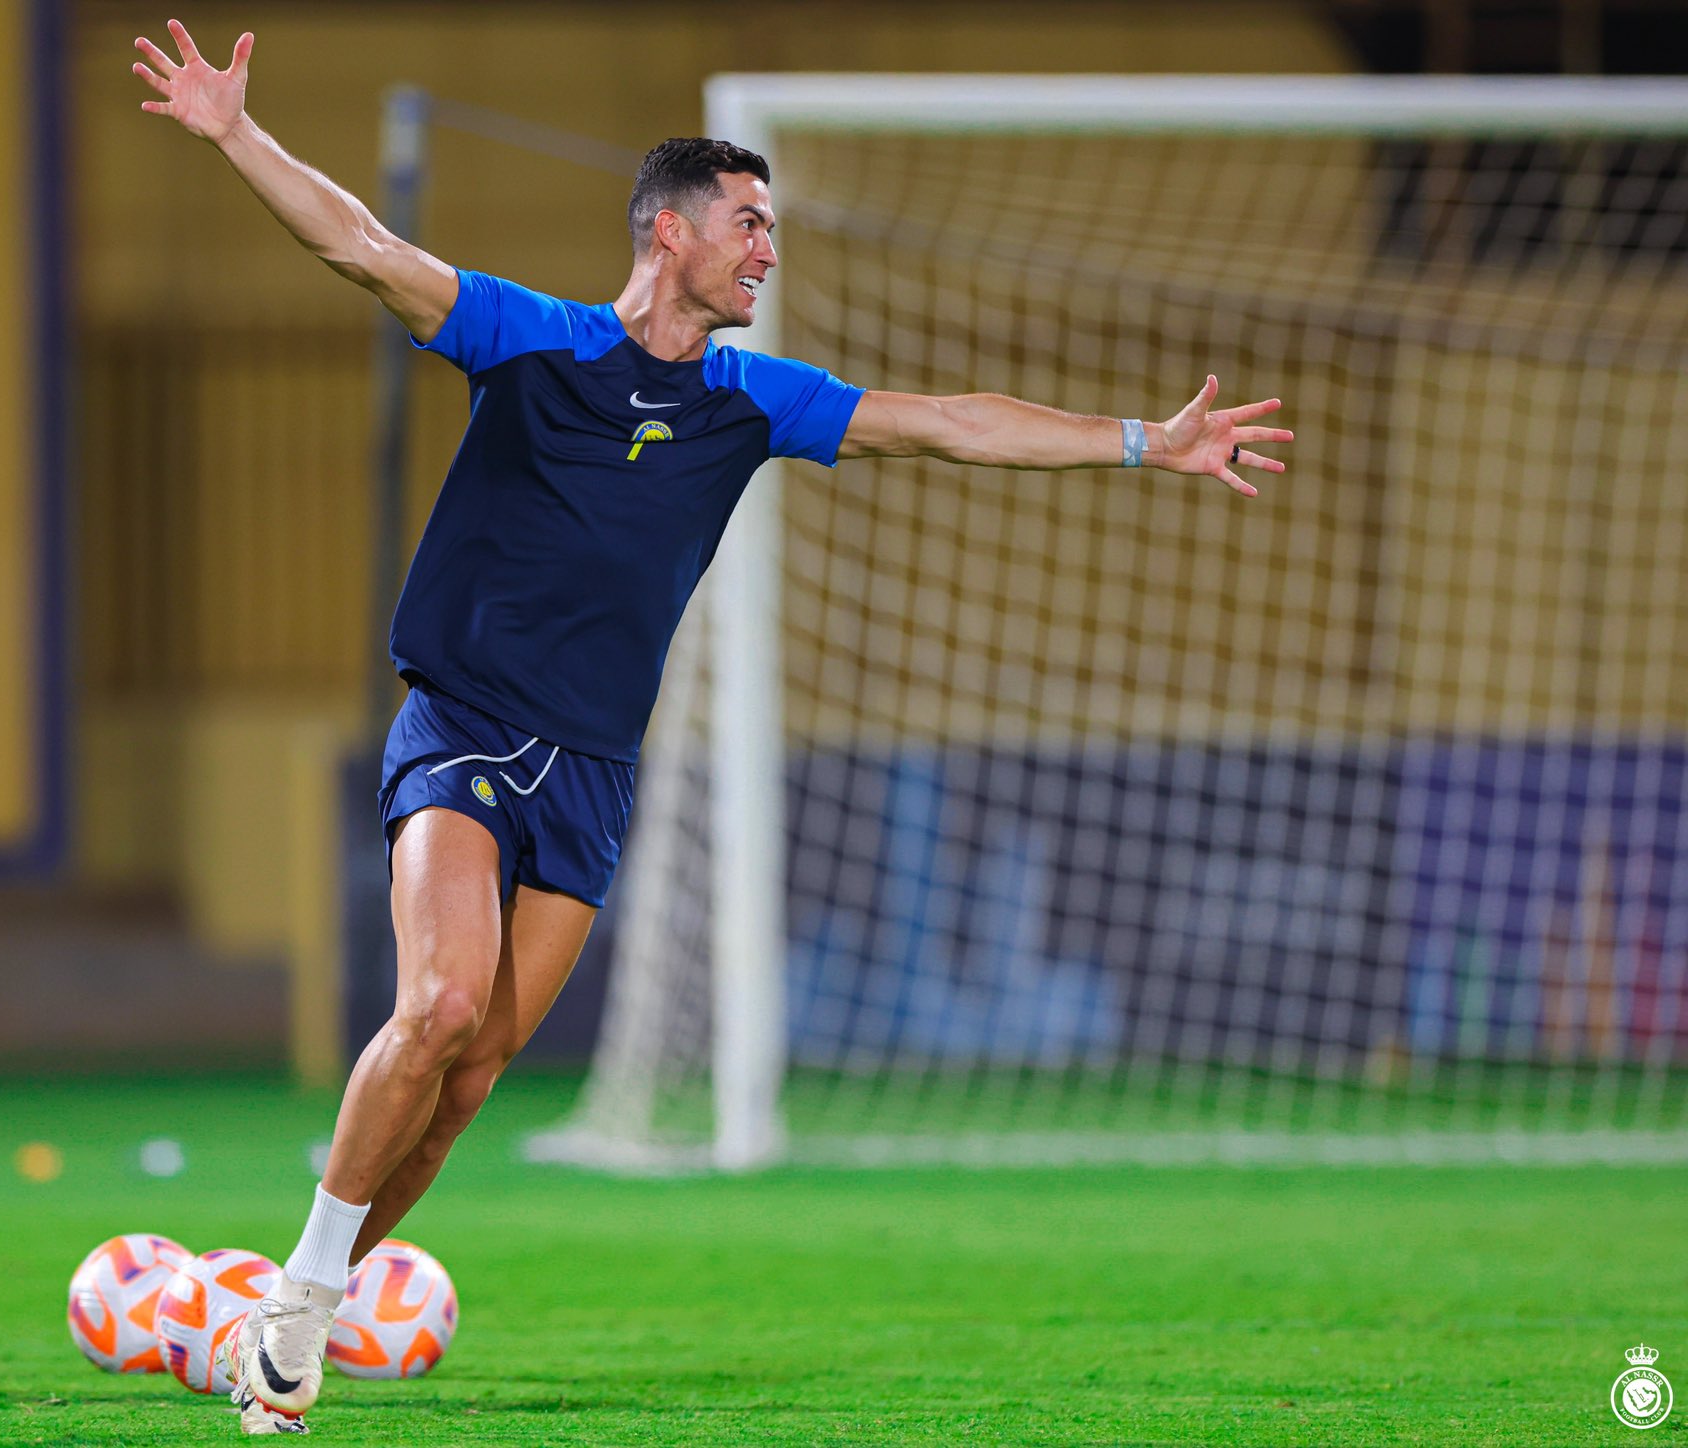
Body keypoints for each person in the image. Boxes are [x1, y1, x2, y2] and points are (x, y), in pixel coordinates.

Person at [133, 19, 1293, 1436]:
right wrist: (239, 135)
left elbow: (945, 423)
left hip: (598, 772)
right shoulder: (537, 343)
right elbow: (367, 250)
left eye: (772, 228)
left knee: (477, 1071)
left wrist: (1141, 441)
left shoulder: (751, 402)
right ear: (669, 231)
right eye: (747, 223)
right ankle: (303, 1310)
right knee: (436, 1006)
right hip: (468, 727)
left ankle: (278, 1315)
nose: (766, 249)